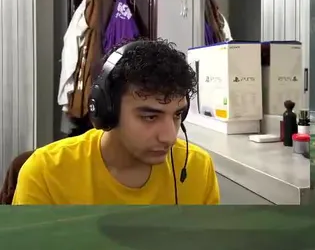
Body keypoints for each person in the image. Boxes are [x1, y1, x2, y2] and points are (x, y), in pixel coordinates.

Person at [13, 39, 221, 205]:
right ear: (108, 110)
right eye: (150, 117)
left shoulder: (197, 167)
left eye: (177, 115)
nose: (169, 137)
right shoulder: (46, 173)